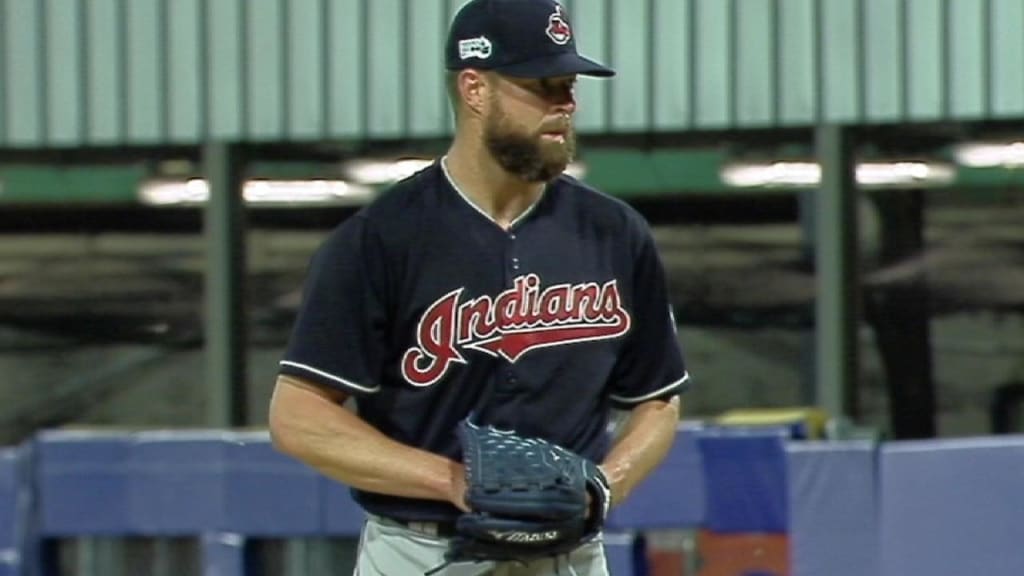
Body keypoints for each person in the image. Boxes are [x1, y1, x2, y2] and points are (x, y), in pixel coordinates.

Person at [268, 0, 690, 574]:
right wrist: (450, 481)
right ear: (475, 89)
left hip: (569, 553)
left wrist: (603, 488)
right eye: (541, 84)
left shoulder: (615, 234)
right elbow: (299, 415)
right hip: (424, 551)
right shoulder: (383, 238)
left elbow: (658, 399)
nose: (564, 104)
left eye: (568, 85)